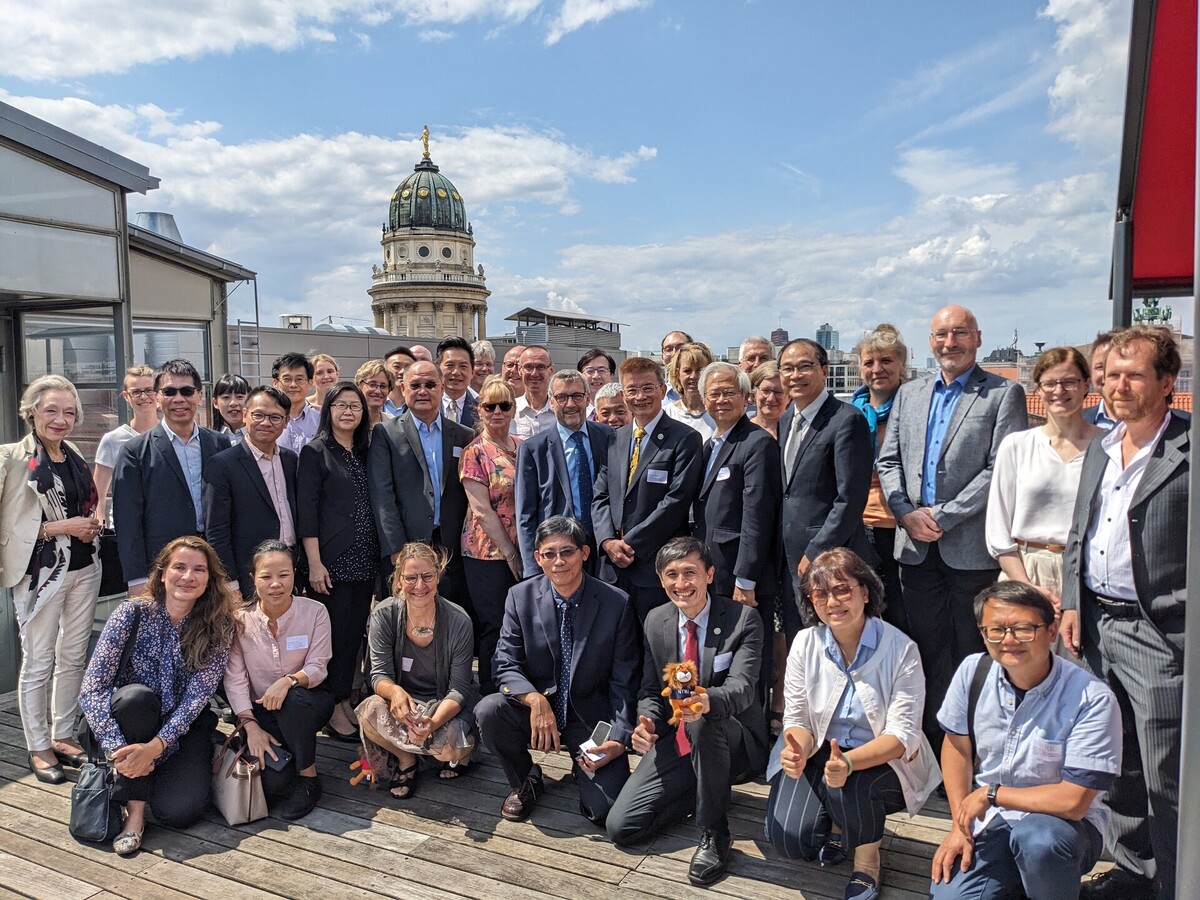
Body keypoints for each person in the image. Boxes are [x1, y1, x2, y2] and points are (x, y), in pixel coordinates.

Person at [1060, 325, 1188, 899]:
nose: (1119, 385)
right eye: (1110, 374)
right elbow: (1077, 532)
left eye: (1133, 374)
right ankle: (1135, 873)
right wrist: (1070, 601)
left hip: (1158, 632)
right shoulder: (1101, 446)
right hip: (1096, 626)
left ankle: (1180, 880)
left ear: (1167, 382)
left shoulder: (1189, 449)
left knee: (1169, 773)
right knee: (1120, 762)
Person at [876, 305, 1026, 752]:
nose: (950, 342)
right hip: (915, 549)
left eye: (960, 333)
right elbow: (889, 462)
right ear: (930, 341)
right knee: (923, 651)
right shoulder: (910, 394)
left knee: (972, 654)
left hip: (969, 550)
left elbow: (999, 469)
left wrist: (942, 515)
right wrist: (904, 512)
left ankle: (975, 749)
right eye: (941, 334)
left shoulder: (1003, 394)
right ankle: (929, 749)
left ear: (977, 338)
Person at [767, 548, 939, 900]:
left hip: (882, 760)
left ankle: (867, 861)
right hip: (822, 752)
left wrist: (848, 762)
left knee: (854, 787)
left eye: (842, 589)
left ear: (865, 591)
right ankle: (838, 820)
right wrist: (796, 748)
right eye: (820, 593)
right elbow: (798, 716)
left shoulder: (901, 648)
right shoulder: (805, 642)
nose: (832, 601)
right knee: (789, 839)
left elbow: (902, 734)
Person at [930, 582, 1121, 900]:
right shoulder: (972, 672)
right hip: (991, 821)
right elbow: (957, 746)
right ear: (983, 633)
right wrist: (959, 826)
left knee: (1038, 841)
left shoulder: (1092, 698)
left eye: (1023, 629)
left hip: (1061, 828)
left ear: (1051, 630)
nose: (1008, 640)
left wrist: (992, 794)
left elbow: (1073, 803)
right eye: (996, 630)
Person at [606, 538, 768, 886]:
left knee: (701, 719)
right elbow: (651, 688)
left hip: (732, 739)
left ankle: (715, 832)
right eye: (672, 575)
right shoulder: (655, 620)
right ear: (661, 580)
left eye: (690, 573)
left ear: (710, 574)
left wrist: (704, 700)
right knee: (622, 827)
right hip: (679, 738)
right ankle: (704, 789)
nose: (682, 584)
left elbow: (742, 689)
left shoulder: (743, 619)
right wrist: (646, 719)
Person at [78, 536, 238, 854]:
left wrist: (156, 747)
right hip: (126, 723)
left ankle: (153, 772)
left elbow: (196, 699)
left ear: (210, 579)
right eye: (179, 567)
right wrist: (118, 752)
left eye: (199, 570)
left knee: (179, 814)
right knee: (138, 698)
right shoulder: (131, 614)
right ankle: (134, 814)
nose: (188, 577)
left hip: (180, 728)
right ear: (163, 573)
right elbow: (92, 688)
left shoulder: (219, 626)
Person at [476, 516, 639, 824]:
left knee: (605, 811)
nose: (558, 561)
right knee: (489, 709)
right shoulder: (519, 596)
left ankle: (582, 765)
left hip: (591, 717)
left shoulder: (616, 603)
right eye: (549, 554)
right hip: (538, 710)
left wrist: (618, 737)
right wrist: (535, 700)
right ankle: (526, 780)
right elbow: (504, 662)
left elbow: (624, 678)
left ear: (584, 553)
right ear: (537, 557)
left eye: (567, 552)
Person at [1, 375, 103, 783]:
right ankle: (37, 744)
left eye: (68, 412)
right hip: (39, 572)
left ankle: (63, 732)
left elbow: (83, 504)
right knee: (39, 660)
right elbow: (17, 523)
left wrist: (88, 525)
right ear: (31, 413)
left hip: (84, 567)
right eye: (51, 411)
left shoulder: (74, 453)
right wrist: (60, 528)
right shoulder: (12, 457)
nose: (61, 419)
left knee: (74, 655)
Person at [691, 362, 781, 713]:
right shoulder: (710, 444)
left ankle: (751, 742)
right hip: (713, 572)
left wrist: (747, 579)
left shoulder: (756, 443)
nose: (721, 400)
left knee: (746, 661)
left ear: (746, 397)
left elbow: (758, 515)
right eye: (714, 393)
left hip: (740, 579)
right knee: (720, 661)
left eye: (729, 392)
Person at [986, 347, 1100, 621]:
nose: (1059, 390)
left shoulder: (1107, 446)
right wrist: (1024, 584)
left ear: (1086, 385)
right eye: (1050, 383)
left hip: (1086, 572)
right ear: (1038, 389)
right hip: (1025, 568)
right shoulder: (1017, 446)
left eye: (1069, 382)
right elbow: (998, 530)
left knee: (1080, 662)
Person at [225, 540, 334, 820]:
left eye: (284, 575)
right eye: (266, 576)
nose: (276, 584)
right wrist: (250, 726)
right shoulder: (240, 621)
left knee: (295, 700)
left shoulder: (315, 612)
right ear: (253, 579)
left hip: (307, 703)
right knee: (274, 786)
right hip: (261, 714)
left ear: (294, 575)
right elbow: (235, 680)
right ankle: (289, 759)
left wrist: (288, 681)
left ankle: (309, 777)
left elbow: (318, 666)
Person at [356, 543, 476, 798]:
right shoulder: (384, 614)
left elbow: (458, 689)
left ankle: (461, 752)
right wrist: (396, 692)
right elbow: (378, 675)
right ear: (399, 580)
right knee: (367, 713)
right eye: (410, 578)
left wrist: (432, 723)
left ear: (438, 576)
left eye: (427, 577)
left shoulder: (459, 620)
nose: (419, 586)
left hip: (443, 705)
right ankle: (406, 759)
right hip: (404, 705)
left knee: (449, 750)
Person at [592, 356, 704, 621]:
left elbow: (676, 501)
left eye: (647, 388)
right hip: (613, 569)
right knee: (617, 647)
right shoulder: (615, 439)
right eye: (632, 390)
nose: (639, 396)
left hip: (655, 565)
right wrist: (607, 541)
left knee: (655, 649)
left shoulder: (685, 439)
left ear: (663, 391)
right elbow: (601, 496)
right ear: (623, 393)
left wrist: (629, 544)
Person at [299, 381, 380, 741]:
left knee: (352, 635)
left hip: (365, 558)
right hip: (331, 562)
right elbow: (308, 512)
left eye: (355, 406)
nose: (348, 412)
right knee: (331, 636)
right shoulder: (315, 452)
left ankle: (344, 697)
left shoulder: (366, 450)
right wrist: (314, 563)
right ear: (328, 410)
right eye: (341, 405)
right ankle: (331, 705)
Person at [113, 358, 232, 590]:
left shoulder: (220, 444)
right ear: (157, 398)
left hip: (215, 568)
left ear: (200, 396)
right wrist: (137, 579)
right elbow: (128, 522)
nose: (179, 399)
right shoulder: (134, 452)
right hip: (161, 571)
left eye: (187, 391)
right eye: (169, 391)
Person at [368, 360, 473, 604]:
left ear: (442, 387)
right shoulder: (386, 433)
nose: (422, 391)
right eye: (415, 385)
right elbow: (382, 495)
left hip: (451, 546)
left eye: (430, 384)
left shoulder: (463, 434)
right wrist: (396, 548)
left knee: (451, 615)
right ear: (403, 388)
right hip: (406, 545)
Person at [776, 338, 874, 597]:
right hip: (789, 557)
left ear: (824, 370)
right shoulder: (786, 419)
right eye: (787, 368)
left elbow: (849, 500)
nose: (795, 375)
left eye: (804, 366)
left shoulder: (847, 420)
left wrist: (815, 551)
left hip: (829, 558)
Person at [515, 369, 615, 578]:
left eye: (577, 396)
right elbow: (525, 514)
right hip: (559, 556)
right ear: (551, 402)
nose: (570, 404)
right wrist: (533, 569)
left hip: (604, 551)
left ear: (588, 399)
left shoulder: (609, 437)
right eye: (562, 397)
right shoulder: (533, 449)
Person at [202, 386, 299, 599]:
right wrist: (229, 582)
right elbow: (217, 531)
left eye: (275, 417)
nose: (266, 422)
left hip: (291, 568)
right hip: (249, 574)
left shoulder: (291, 460)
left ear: (286, 421)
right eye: (258, 415)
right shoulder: (222, 464)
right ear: (245, 415)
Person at [459, 375, 523, 696]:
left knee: (520, 624)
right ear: (479, 411)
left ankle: (518, 683)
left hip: (523, 551)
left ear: (513, 409)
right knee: (494, 624)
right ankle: (491, 687)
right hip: (487, 554)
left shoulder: (524, 447)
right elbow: (481, 510)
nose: (497, 412)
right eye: (489, 406)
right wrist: (510, 553)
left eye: (504, 405)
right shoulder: (474, 452)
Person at [851, 325, 909, 633]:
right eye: (869, 362)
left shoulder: (915, 408)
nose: (877, 369)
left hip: (901, 529)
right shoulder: (850, 414)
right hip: (861, 527)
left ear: (901, 364)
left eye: (886, 361)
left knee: (901, 618)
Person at [93, 365, 159, 521]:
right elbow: (98, 495)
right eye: (136, 392)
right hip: (125, 528)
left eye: (149, 390)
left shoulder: (171, 435)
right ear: (126, 396)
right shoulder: (112, 440)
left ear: (158, 393)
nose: (143, 397)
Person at [664, 342, 717, 441]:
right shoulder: (666, 414)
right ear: (677, 373)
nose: (694, 376)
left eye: (700, 370)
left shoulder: (719, 413)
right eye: (687, 371)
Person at [272, 352, 319, 454]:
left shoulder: (320, 421)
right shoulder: (266, 421)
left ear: (310, 383)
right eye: (287, 379)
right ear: (275, 382)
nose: (293, 385)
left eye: (299, 379)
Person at [512, 346, 556, 439]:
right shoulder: (509, 410)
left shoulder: (560, 411)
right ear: (520, 370)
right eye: (528, 367)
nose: (534, 373)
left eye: (540, 367)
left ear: (551, 370)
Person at [438, 336, 478, 428]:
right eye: (450, 365)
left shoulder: (482, 410)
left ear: (472, 372)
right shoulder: (426, 405)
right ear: (438, 369)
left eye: (463, 366)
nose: (456, 372)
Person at [1084, 329, 1118, 430]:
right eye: (1100, 367)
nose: (1108, 374)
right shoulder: (1076, 424)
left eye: (1115, 366)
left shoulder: (1157, 425)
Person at [737, 336, 773, 418]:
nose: (757, 364)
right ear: (740, 365)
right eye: (751, 358)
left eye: (764, 358)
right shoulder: (731, 398)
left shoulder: (784, 399)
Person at [749, 361, 785, 439]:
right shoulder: (739, 431)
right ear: (754, 392)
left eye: (778, 392)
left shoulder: (795, 433)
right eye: (765, 391)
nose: (771, 398)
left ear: (789, 396)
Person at [210, 373, 250, 443]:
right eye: (226, 397)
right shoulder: (208, 439)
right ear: (215, 403)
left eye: (240, 397)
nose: (233, 403)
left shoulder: (261, 436)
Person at [355, 360, 394, 428]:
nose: (378, 391)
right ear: (359, 385)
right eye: (372, 385)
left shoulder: (393, 423)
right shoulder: (350, 421)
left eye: (383, 386)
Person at [660, 330, 692, 403]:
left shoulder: (709, 393)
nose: (674, 354)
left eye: (680, 348)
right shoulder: (656, 398)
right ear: (662, 357)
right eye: (668, 349)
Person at [383, 346, 415, 417]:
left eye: (407, 367)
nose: (402, 371)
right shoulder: (376, 401)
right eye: (396, 367)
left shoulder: (418, 405)